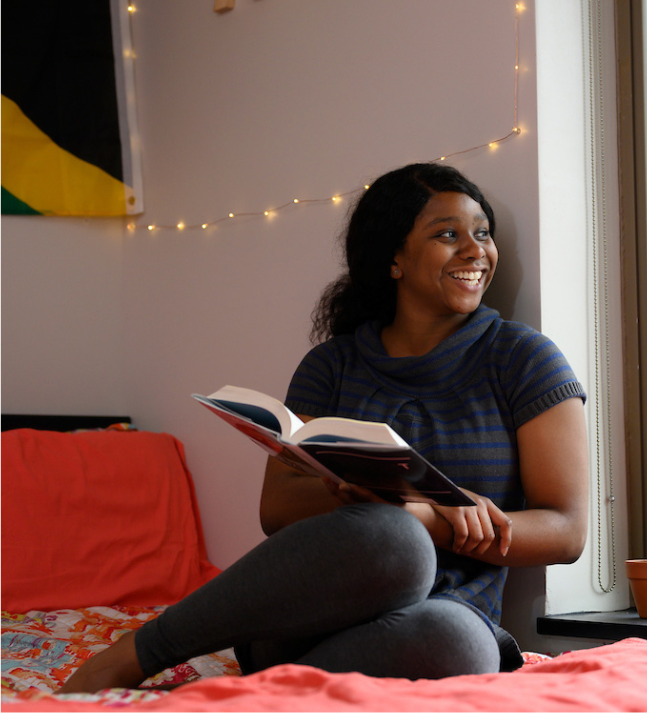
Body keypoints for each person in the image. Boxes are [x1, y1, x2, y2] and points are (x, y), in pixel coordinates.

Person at [58, 163, 588, 693]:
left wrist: (431, 517)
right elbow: (278, 509)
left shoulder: (522, 359)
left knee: (459, 641)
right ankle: (142, 650)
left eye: (482, 232)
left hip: (445, 618)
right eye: (447, 234)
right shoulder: (332, 365)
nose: (476, 251)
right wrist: (363, 503)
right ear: (394, 259)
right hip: (311, 613)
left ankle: (249, 698)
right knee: (395, 540)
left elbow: (566, 531)